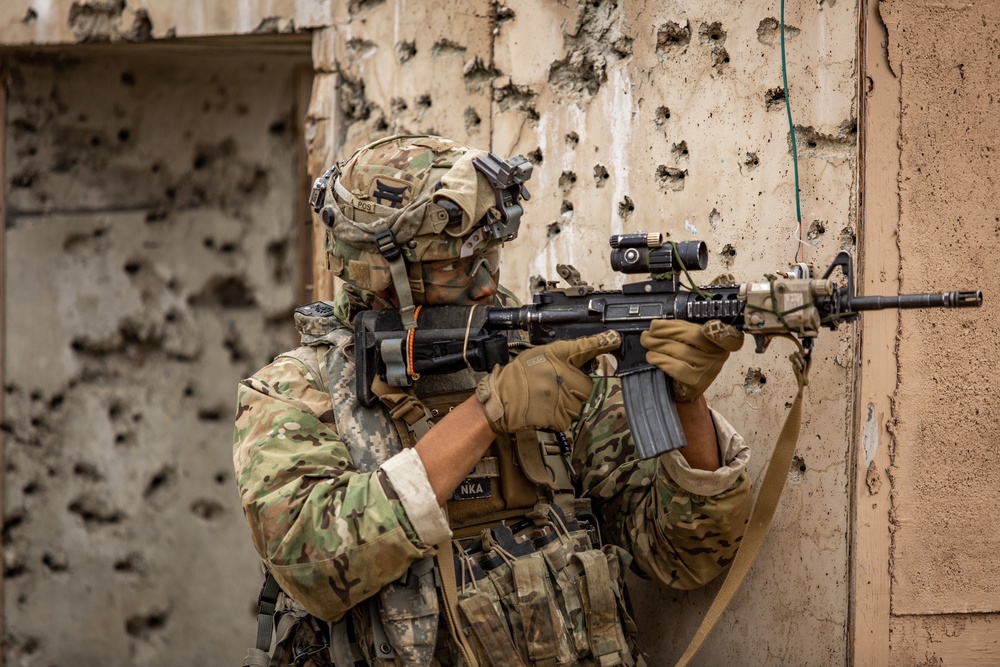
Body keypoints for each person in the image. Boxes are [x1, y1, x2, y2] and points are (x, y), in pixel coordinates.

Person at [233, 135, 753, 667]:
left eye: (490, 256)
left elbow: (685, 554)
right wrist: (486, 415)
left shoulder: (536, 353)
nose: (485, 284)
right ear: (382, 274)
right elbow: (311, 566)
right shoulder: (295, 394)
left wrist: (685, 397)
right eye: (457, 266)